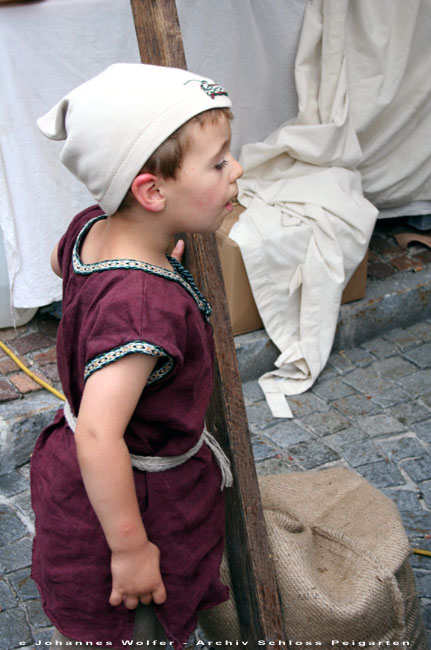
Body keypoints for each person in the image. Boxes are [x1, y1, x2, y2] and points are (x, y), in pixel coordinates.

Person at [30, 63, 243, 650]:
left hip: (74, 474)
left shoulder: (91, 229)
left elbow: (60, 262)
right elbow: (99, 434)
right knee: (132, 632)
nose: (237, 170)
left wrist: (153, 250)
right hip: (130, 505)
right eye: (220, 162)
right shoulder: (145, 308)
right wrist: (130, 548)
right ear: (152, 192)